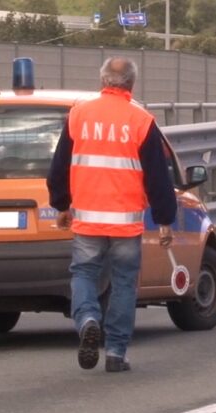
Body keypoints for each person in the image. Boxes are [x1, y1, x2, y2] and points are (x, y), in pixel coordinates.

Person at [46, 57, 177, 372]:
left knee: (84, 274)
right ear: (131, 84)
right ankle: (116, 352)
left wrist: (61, 204)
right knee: (123, 283)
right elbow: (159, 178)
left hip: (88, 219)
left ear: (103, 81)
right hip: (126, 222)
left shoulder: (79, 115)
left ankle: (88, 319)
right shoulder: (142, 121)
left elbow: (59, 167)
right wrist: (164, 219)